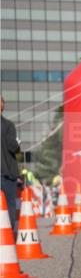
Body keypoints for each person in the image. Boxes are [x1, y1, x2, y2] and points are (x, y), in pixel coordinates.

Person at [1, 96, 21, 229]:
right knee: (9, 205)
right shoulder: (8, 125)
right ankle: (8, 237)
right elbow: (12, 146)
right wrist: (18, 145)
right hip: (6, 173)